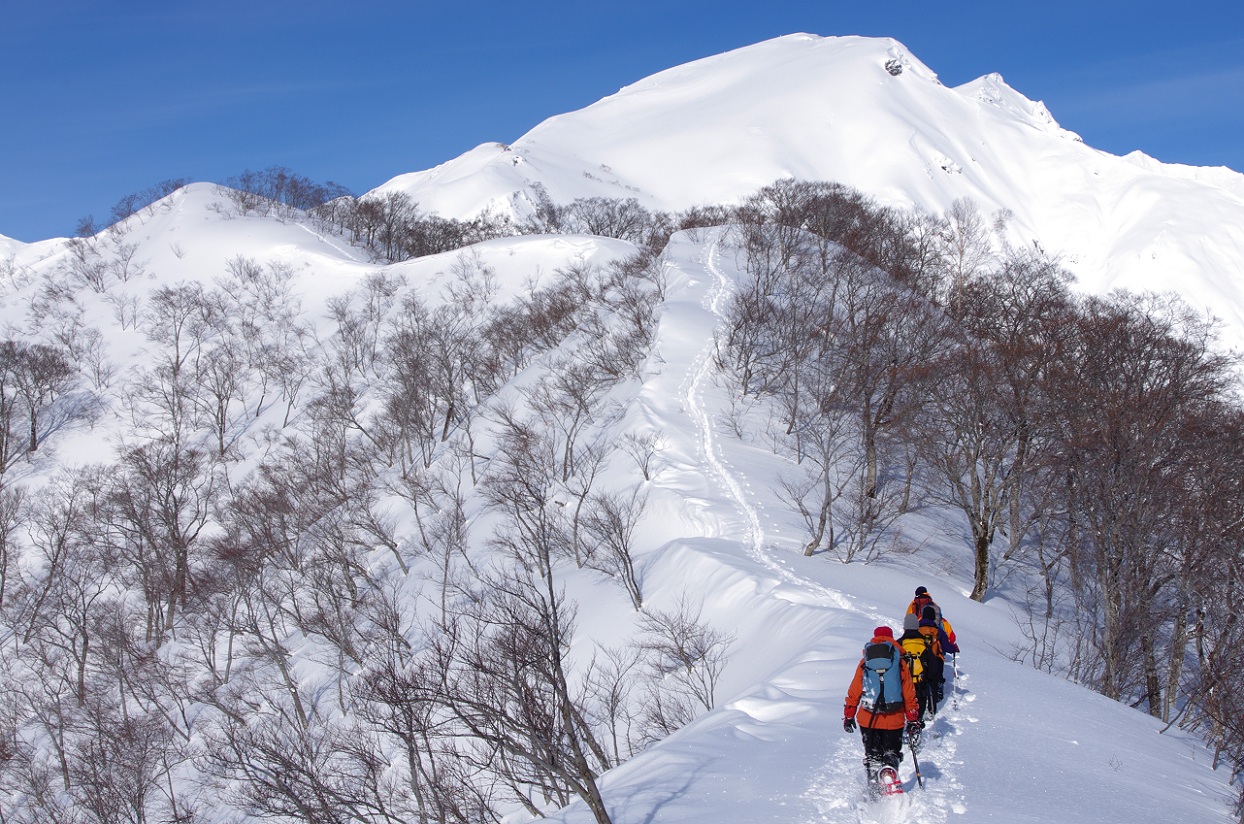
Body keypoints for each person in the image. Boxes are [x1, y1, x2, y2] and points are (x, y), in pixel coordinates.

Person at [843, 626, 921, 793]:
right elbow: (909, 692)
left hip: (868, 718)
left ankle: (874, 786)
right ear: (892, 639)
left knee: (873, 755)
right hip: (894, 719)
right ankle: (890, 776)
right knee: (891, 752)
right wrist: (913, 718)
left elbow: (855, 690)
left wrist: (849, 714)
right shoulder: (898, 662)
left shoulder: (866, 662)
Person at [898, 613, 939, 721]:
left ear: (904, 627)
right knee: (918, 717)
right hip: (921, 687)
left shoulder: (899, 644)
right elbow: (933, 667)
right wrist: (928, 679)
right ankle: (916, 732)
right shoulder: (925, 644)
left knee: (904, 716)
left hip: (903, 687)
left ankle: (905, 733)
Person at [919, 605, 957, 705]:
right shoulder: (938, 631)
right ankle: (933, 703)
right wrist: (955, 648)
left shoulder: (916, 629)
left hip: (919, 660)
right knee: (935, 680)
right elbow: (947, 646)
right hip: (935, 661)